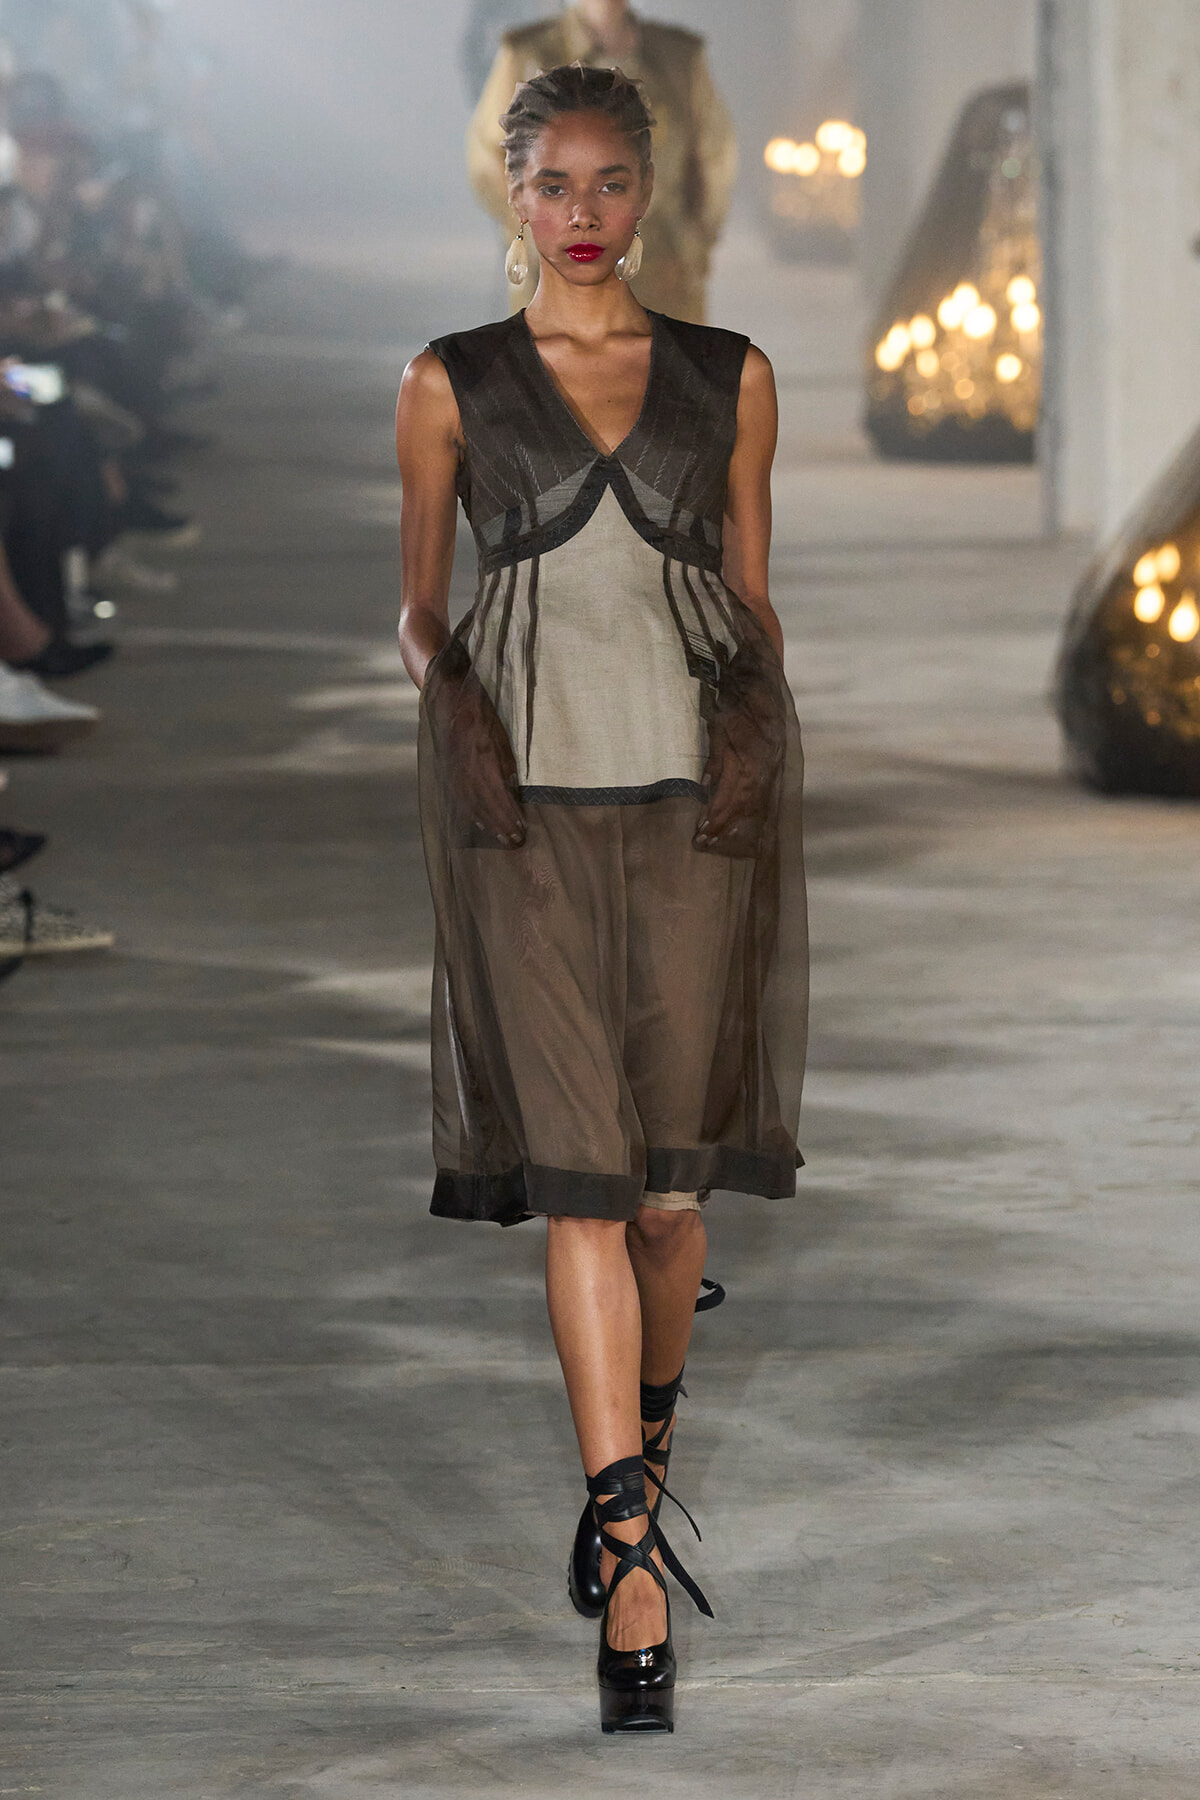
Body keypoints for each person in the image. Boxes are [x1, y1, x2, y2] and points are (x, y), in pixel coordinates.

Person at [397, 64, 806, 1734]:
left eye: (609, 183)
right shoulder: (450, 381)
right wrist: (458, 721)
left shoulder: (728, 377)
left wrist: (758, 742)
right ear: (512, 192)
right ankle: (629, 1558)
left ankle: (649, 1433)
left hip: (694, 807)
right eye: (553, 184)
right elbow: (418, 607)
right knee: (583, 1186)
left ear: (650, 192)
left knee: (664, 1202)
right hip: (528, 817)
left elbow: (752, 598)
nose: (582, 214)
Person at [467, 1, 736, 324]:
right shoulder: (527, 54)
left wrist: (693, 243)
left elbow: (715, 157)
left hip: (661, 271)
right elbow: (488, 157)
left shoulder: (678, 58)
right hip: (557, 274)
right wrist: (529, 232)